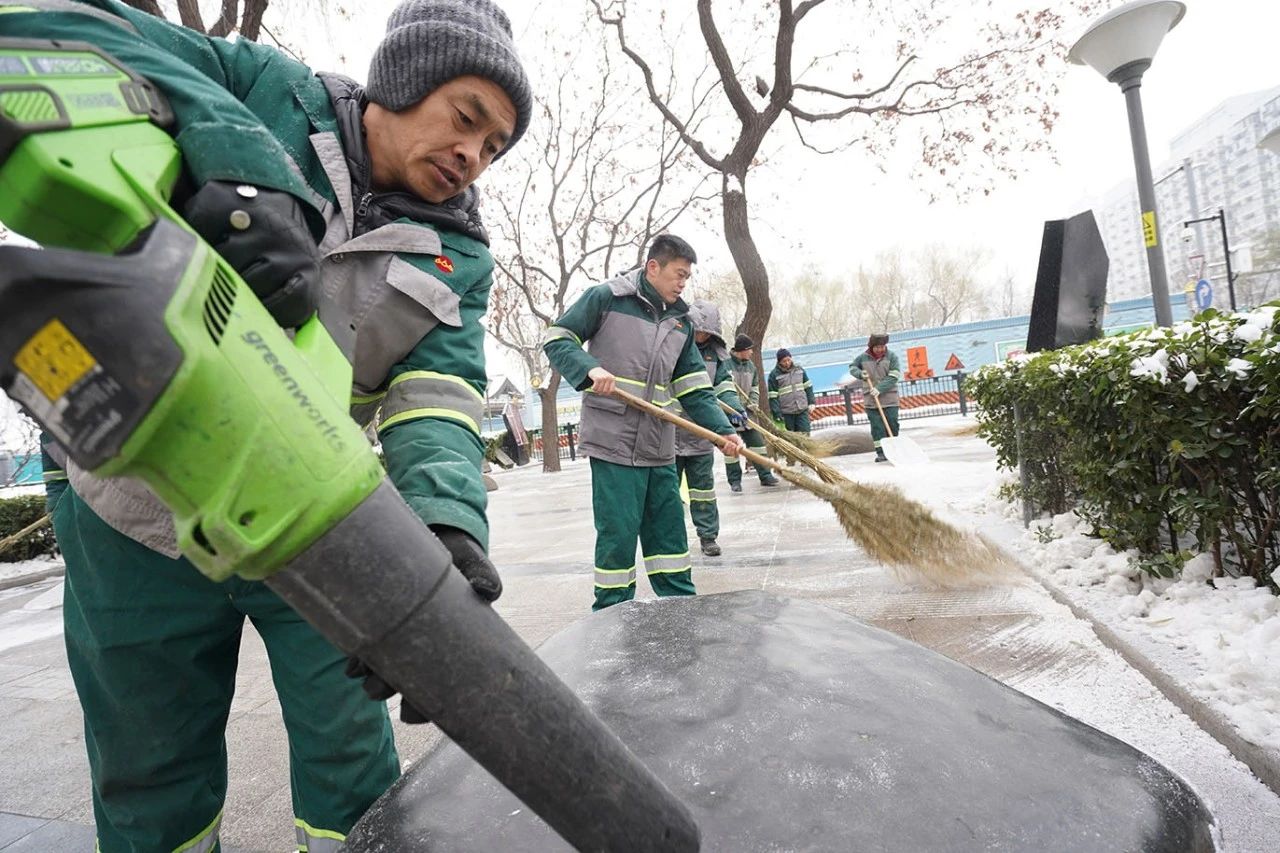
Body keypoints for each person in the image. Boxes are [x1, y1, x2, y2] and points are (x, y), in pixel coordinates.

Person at [3, 0, 531, 849]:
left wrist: (442, 529)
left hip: (318, 524)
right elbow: (60, 24)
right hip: (130, 514)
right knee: (150, 775)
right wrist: (243, 166)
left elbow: (437, 396)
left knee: (354, 771)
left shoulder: (461, 257)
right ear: (403, 79)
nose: (473, 155)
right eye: (466, 119)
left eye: (494, 147)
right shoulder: (262, 88)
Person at [543, 235, 746, 610]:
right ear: (653, 267)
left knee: (669, 532)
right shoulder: (606, 298)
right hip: (612, 442)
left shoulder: (682, 323)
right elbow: (557, 338)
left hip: (658, 444)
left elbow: (693, 386)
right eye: (678, 274)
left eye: (687, 276)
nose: (683, 283)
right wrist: (589, 369)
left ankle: (681, 606)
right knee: (618, 534)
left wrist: (723, 431)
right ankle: (612, 612)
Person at [673, 301, 746, 556]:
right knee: (669, 493)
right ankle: (674, 539)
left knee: (702, 490)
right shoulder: (674, 346)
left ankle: (708, 536)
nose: (702, 336)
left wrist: (736, 413)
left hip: (701, 433)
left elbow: (724, 386)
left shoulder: (715, 356)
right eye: (698, 330)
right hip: (669, 432)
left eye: (707, 332)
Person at [724, 334, 780, 491]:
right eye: (749, 350)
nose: (751, 353)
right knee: (731, 448)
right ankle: (735, 481)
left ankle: (766, 475)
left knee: (757, 445)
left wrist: (753, 403)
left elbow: (755, 388)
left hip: (748, 414)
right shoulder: (725, 365)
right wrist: (732, 407)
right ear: (741, 350)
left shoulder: (751, 367)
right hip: (730, 413)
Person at [849, 333, 902, 463]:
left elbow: (894, 376)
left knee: (892, 423)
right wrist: (860, 374)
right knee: (877, 427)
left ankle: (894, 449)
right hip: (871, 400)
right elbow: (852, 367)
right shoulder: (863, 357)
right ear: (871, 347)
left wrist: (879, 388)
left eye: (882, 346)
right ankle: (881, 452)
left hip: (890, 398)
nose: (880, 349)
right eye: (877, 347)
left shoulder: (892, 357)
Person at [768, 348, 816, 435]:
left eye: (788, 360)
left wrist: (811, 402)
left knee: (805, 435)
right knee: (791, 438)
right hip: (786, 413)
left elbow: (808, 387)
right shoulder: (774, 375)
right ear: (779, 362)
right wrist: (777, 413)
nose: (787, 363)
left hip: (802, 410)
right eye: (784, 361)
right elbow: (772, 396)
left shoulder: (800, 370)